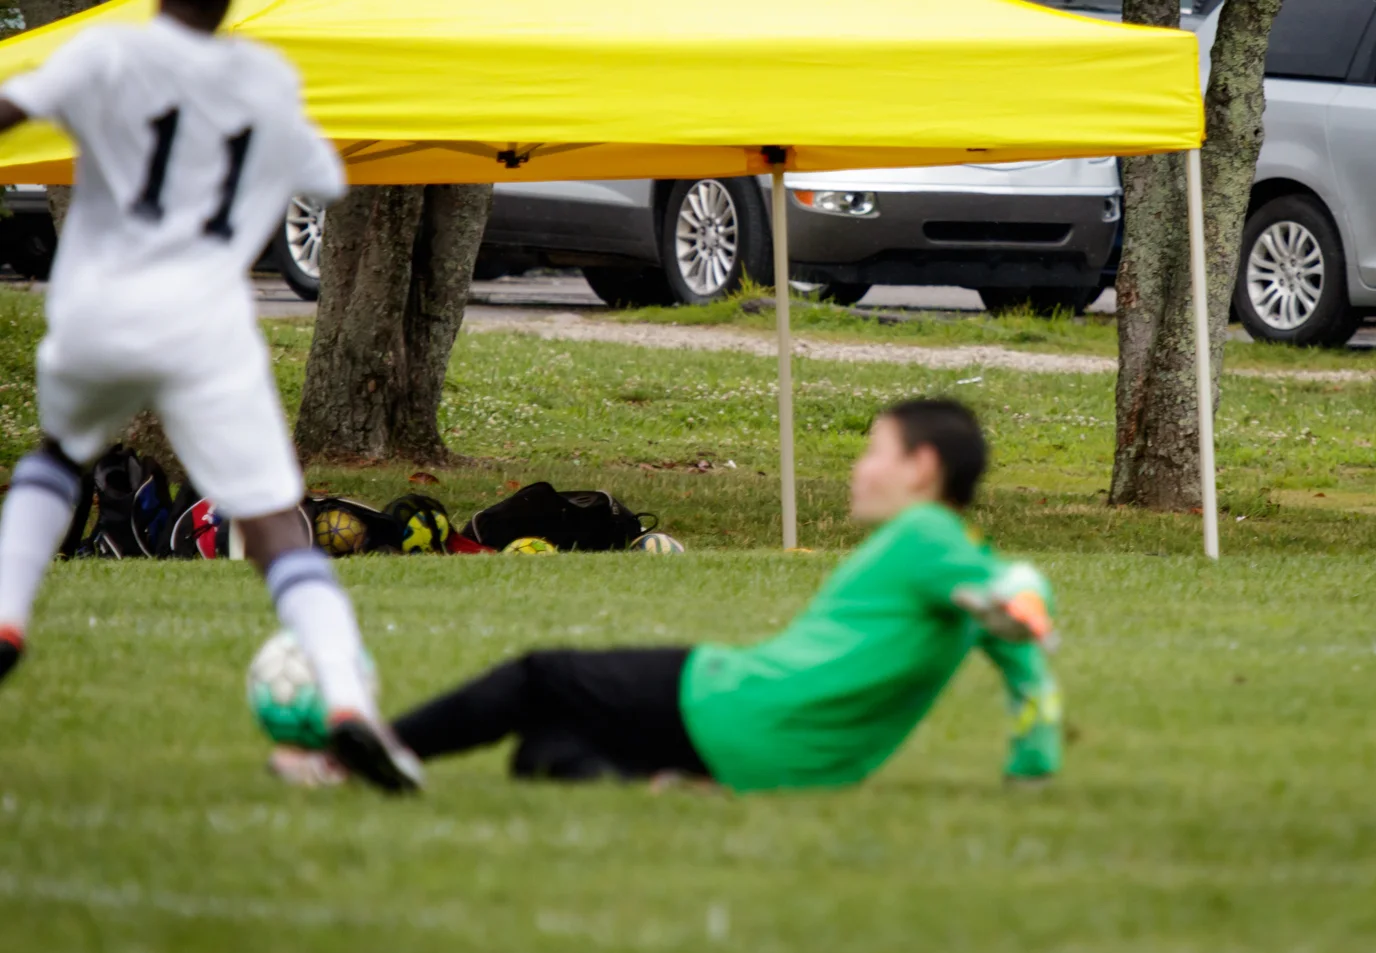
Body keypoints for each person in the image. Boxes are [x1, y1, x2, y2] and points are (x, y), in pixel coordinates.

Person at [0, 0, 422, 792]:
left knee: (58, 458)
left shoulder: (107, 51)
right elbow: (326, 176)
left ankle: (7, 614)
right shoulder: (265, 79)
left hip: (100, 309)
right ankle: (344, 697)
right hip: (205, 327)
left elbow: (12, 109)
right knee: (275, 524)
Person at [274, 399, 1063, 792]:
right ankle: (669, 782)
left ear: (922, 469)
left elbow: (1014, 598)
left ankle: (353, 760)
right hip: (793, 757)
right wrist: (1033, 765)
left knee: (540, 677)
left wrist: (1023, 598)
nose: (859, 468)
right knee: (541, 753)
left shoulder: (926, 537)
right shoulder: (958, 559)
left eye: (875, 452)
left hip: (739, 703)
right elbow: (1024, 662)